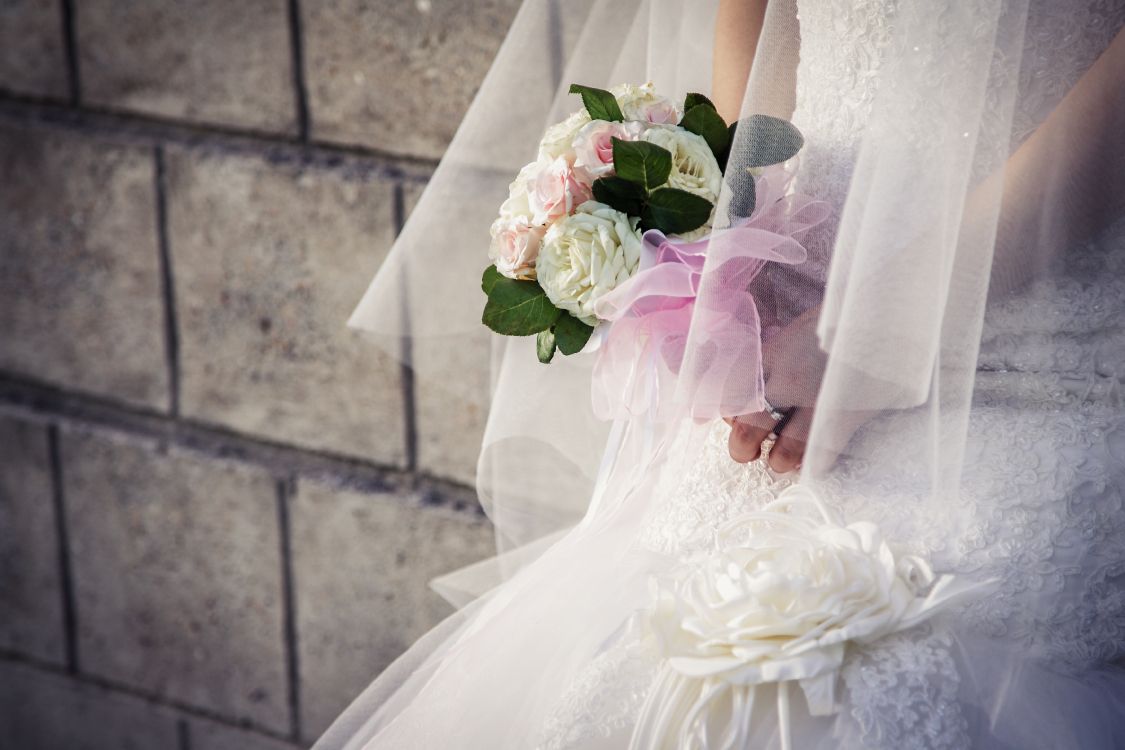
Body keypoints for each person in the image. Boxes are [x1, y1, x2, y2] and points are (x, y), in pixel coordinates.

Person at [319, 0, 1125, 747]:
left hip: (1042, 347)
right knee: (655, 651)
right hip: (789, 319)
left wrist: (876, 333)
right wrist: (740, 251)